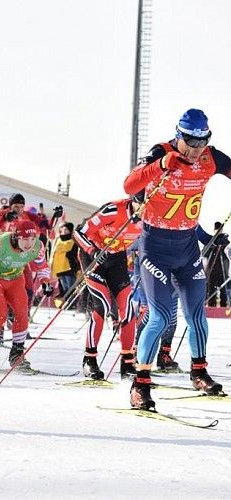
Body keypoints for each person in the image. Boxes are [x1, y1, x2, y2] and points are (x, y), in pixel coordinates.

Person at [123, 109, 230, 409]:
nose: (195, 150)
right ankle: (140, 385)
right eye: (190, 143)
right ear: (178, 135)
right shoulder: (162, 151)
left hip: (187, 249)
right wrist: (159, 166)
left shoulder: (210, 157)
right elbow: (130, 186)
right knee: (160, 317)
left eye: (201, 143)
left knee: (196, 315)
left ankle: (199, 372)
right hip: (155, 247)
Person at [73, 198, 143, 379]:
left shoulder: (150, 217)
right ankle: (90, 360)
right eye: (141, 204)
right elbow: (79, 233)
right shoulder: (113, 210)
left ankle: (127, 363)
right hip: (94, 257)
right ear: (134, 201)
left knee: (128, 309)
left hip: (117, 259)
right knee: (102, 306)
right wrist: (92, 251)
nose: (144, 209)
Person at [0, 220, 53, 370]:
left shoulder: (38, 247)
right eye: (25, 239)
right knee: (0, 313)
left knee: (23, 314)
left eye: (32, 239)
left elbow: (42, 266)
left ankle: (17, 353)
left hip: (15, 280)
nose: (29, 244)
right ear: (17, 237)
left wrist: (45, 281)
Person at [50, 222, 78, 299]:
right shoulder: (58, 240)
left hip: (69, 267)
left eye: (66, 229)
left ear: (70, 230)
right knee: (64, 287)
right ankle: (66, 301)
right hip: (59, 268)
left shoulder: (73, 240)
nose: (64, 231)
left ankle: (72, 302)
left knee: (71, 287)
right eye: (62, 229)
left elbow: (74, 253)